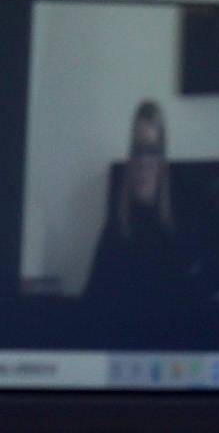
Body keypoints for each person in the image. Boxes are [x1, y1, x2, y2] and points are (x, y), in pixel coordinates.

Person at [81, 100, 191, 331]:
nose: (143, 162)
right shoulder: (116, 227)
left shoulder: (179, 229)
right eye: (137, 150)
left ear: (162, 161)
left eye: (151, 151)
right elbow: (90, 308)